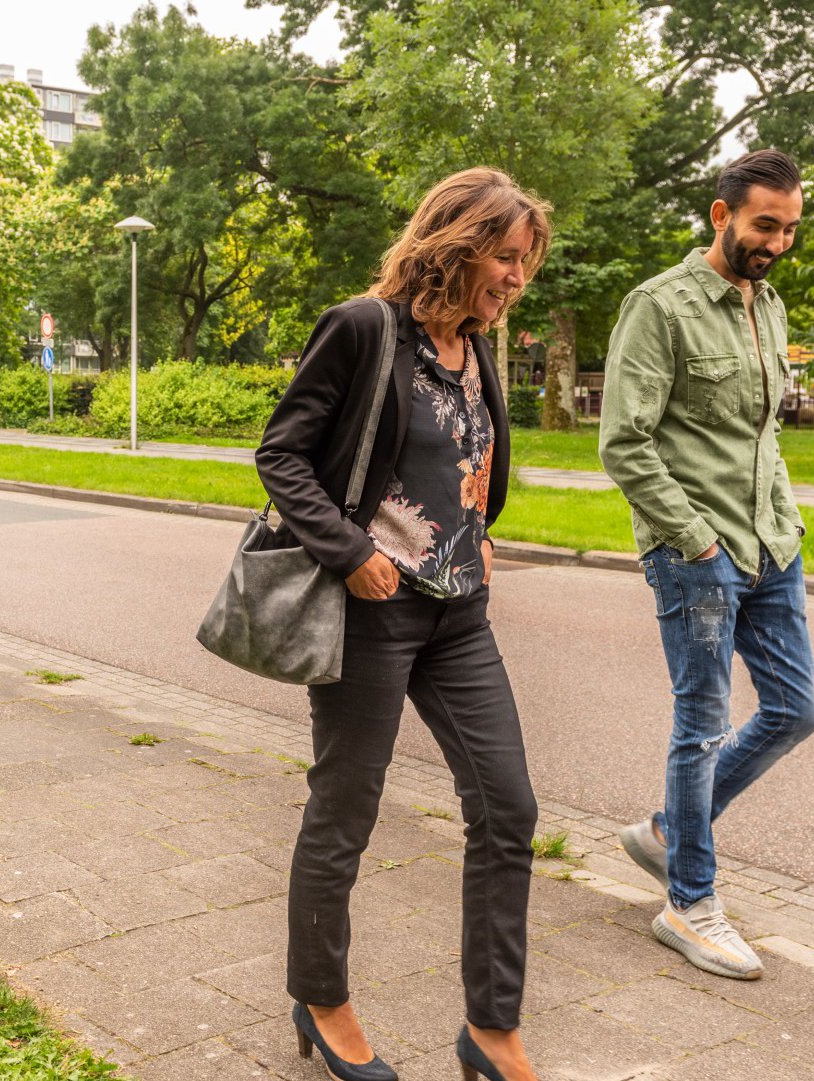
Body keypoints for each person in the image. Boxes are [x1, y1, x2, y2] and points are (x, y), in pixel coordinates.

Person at [256, 167, 551, 1081]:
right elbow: (282, 452)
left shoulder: (476, 346)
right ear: (456, 246)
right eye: (504, 258)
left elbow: (460, 458)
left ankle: (490, 1028)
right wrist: (350, 551)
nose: (514, 279)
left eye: (524, 264)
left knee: (508, 808)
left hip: (459, 617)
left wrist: (480, 531)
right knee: (345, 811)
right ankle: (321, 996)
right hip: (372, 611)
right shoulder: (363, 330)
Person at [596, 149, 814, 982]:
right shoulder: (657, 307)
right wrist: (693, 538)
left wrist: (785, 520)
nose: (778, 243)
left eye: (792, 229)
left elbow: (764, 433)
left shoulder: (771, 304)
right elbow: (624, 441)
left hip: (773, 543)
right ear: (721, 213)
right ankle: (689, 901)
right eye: (766, 224)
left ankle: (664, 833)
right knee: (700, 723)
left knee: (798, 709)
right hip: (697, 551)